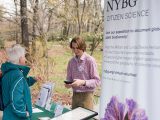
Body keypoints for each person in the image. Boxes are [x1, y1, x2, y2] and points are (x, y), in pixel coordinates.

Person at [1, 44, 41, 120]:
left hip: (8, 114)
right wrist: (24, 113)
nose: (25, 59)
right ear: (20, 58)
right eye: (24, 56)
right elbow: (16, 98)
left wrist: (33, 79)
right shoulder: (17, 75)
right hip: (16, 117)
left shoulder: (9, 72)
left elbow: (18, 85)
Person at [65, 36, 101, 110]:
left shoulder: (90, 60)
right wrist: (68, 84)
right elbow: (69, 79)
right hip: (75, 96)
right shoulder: (71, 62)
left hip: (87, 97)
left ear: (83, 46)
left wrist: (83, 82)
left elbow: (97, 81)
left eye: (77, 48)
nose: (75, 50)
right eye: (73, 48)